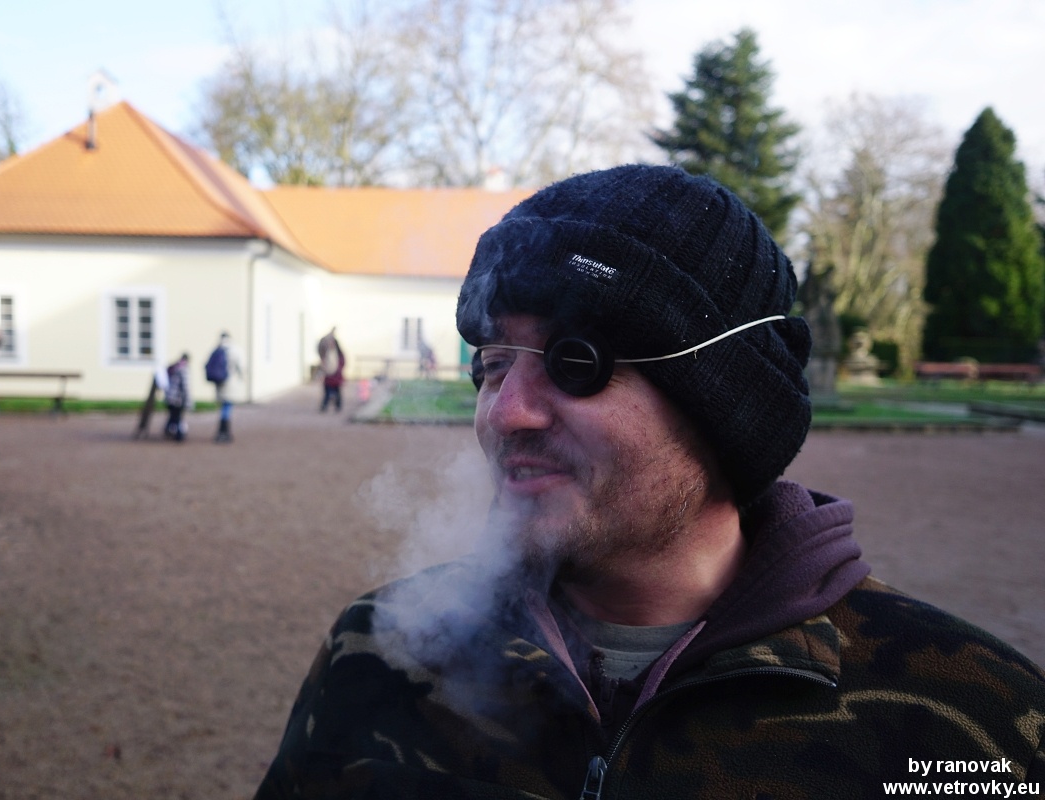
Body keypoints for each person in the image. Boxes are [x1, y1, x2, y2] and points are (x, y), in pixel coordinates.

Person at [256, 165, 1045, 798]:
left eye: (576, 363)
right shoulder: (381, 651)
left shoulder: (966, 717)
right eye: (493, 365)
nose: (507, 413)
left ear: (728, 409)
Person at [205, 332, 243, 443]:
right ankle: (224, 432)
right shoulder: (234, 350)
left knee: (223, 407)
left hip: (219, 383)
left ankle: (221, 432)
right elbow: (240, 366)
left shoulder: (216, 349)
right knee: (227, 408)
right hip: (230, 383)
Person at [163, 353, 192, 442]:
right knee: (178, 417)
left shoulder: (174, 367)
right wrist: (188, 401)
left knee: (173, 416)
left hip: (169, 396)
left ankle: (168, 430)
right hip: (178, 398)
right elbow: (185, 386)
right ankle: (179, 435)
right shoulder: (183, 369)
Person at [316, 327, 345, 413]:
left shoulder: (338, 354)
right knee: (327, 392)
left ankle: (338, 406)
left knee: (337, 392)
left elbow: (342, 361)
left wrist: (338, 369)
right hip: (329, 376)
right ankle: (324, 406)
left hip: (336, 375)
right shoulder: (326, 353)